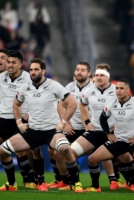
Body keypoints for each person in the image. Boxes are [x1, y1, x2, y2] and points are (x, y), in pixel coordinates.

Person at [0, 58, 84, 193]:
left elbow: (72, 103)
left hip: (51, 131)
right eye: (31, 70)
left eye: (36, 69)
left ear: (43, 71)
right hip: (32, 131)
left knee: (66, 150)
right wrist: (19, 123)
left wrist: (63, 123)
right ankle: (12, 183)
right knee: (2, 151)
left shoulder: (54, 85)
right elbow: (16, 104)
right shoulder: (25, 87)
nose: (33, 72)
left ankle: (76, 183)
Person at [88, 79, 134, 194]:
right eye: (117, 88)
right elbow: (102, 118)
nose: (118, 91)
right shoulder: (112, 104)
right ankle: (95, 186)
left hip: (132, 141)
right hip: (117, 141)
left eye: (121, 88)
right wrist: (108, 134)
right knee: (92, 159)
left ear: (128, 90)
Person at [47, 62, 93, 189]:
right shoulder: (69, 87)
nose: (79, 72)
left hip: (90, 131)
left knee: (71, 152)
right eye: (77, 69)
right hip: (73, 130)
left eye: (82, 70)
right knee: (57, 152)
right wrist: (65, 123)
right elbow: (60, 105)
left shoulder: (94, 87)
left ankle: (118, 180)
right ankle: (66, 182)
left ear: (89, 73)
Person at [0, 50, 36, 190]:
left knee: (21, 151)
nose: (10, 65)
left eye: (13, 62)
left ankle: (30, 179)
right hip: (2, 118)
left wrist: (29, 115)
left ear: (21, 64)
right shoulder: (1, 77)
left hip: (20, 119)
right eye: (8, 62)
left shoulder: (28, 79)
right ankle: (11, 183)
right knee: (2, 151)